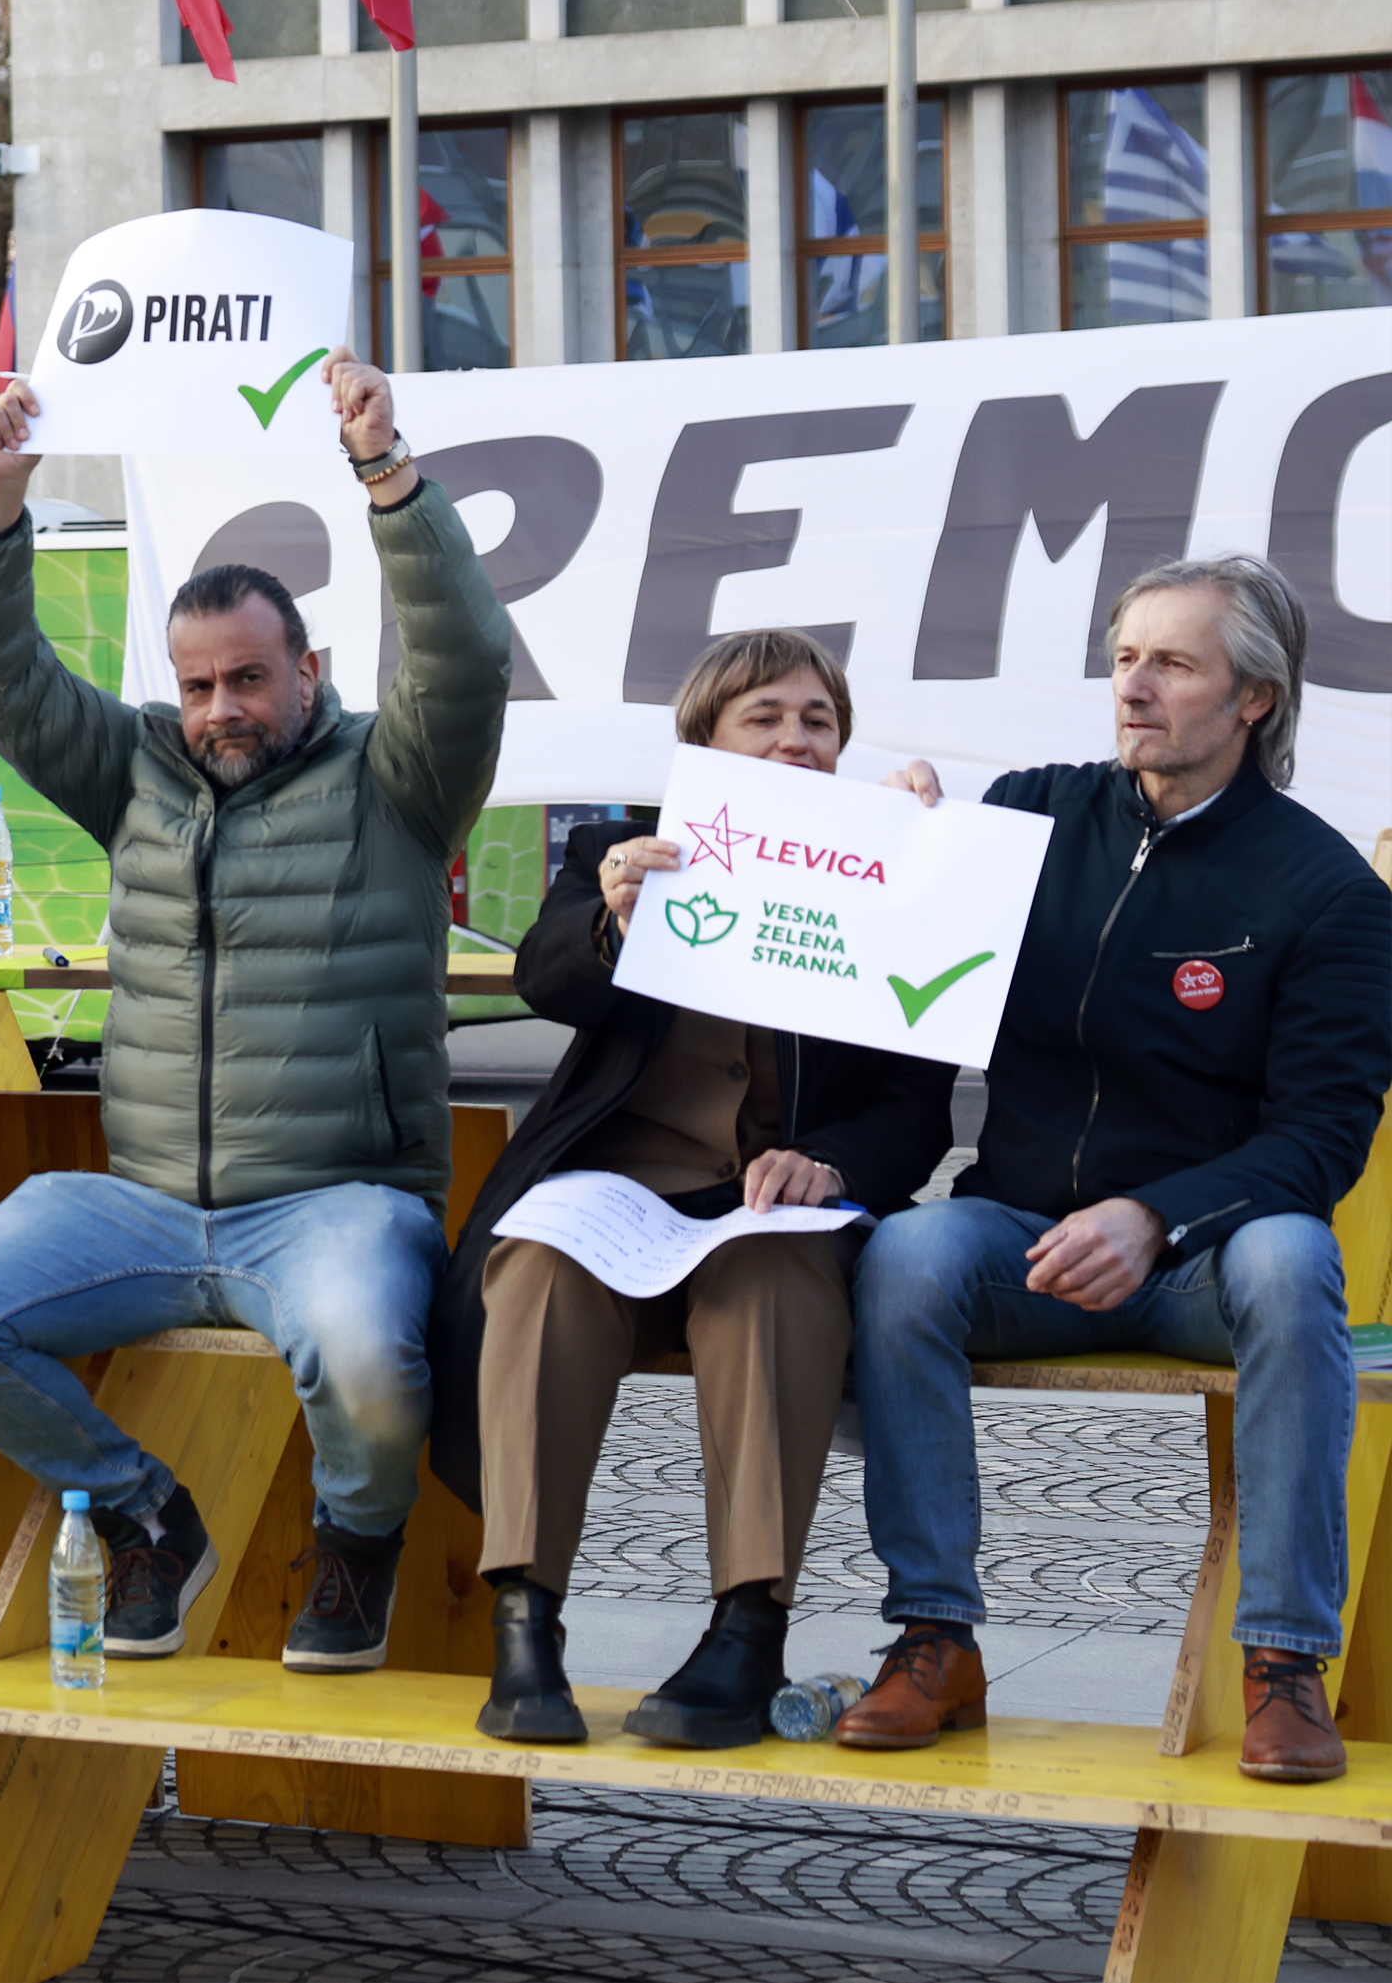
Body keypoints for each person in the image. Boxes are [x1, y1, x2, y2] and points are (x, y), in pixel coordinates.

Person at [0, 354, 508, 1675]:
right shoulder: (138, 773)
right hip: (147, 1200)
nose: (219, 709)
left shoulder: (397, 782)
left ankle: (356, 1542)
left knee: (366, 1354)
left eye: (247, 679)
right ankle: (141, 1513)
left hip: (339, 1199)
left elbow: (463, 658)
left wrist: (386, 475)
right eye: (196, 683)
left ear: (309, 669)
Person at [838, 558, 1392, 1785]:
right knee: (906, 1252)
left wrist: (1157, 1215)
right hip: (1023, 1233)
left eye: (1172, 662)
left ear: (1255, 696)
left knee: (1298, 1253)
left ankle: (1287, 1664)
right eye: (1125, 655)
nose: (1132, 686)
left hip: (1208, 1256)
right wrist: (892, 844)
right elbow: (874, 965)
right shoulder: (1031, 812)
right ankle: (935, 1634)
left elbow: (1322, 1136)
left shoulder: (1329, 890)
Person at [433, 630, 955, 1747]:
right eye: (765, 715)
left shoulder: (889, 871)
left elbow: (916, 1105)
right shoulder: (626, 851)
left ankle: (746, 1628)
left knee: (769, 1276)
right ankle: (525, 1620)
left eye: (818, 719)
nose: (797, 739)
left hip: (775, 1207)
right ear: (706, 739)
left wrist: (837, 1162)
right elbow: (548, 976)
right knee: (536, 1268)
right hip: (622, 1187)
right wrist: (611, 914)